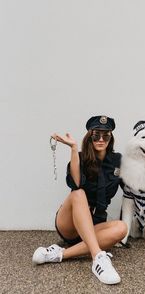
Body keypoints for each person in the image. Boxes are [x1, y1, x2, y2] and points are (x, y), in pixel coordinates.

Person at [32, 115, 127, 285]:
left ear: (111, 137)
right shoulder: (81, 157)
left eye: (105, 135)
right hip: (70, 222)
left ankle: (57, 254)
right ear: (89, 136)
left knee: (121, 228)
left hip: (93, 224)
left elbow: (129, 189)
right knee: (78, 193)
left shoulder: (118, 161)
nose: (100, 139)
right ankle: (98, 258)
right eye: (96, 134)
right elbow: (76, 184)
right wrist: (74, 148)